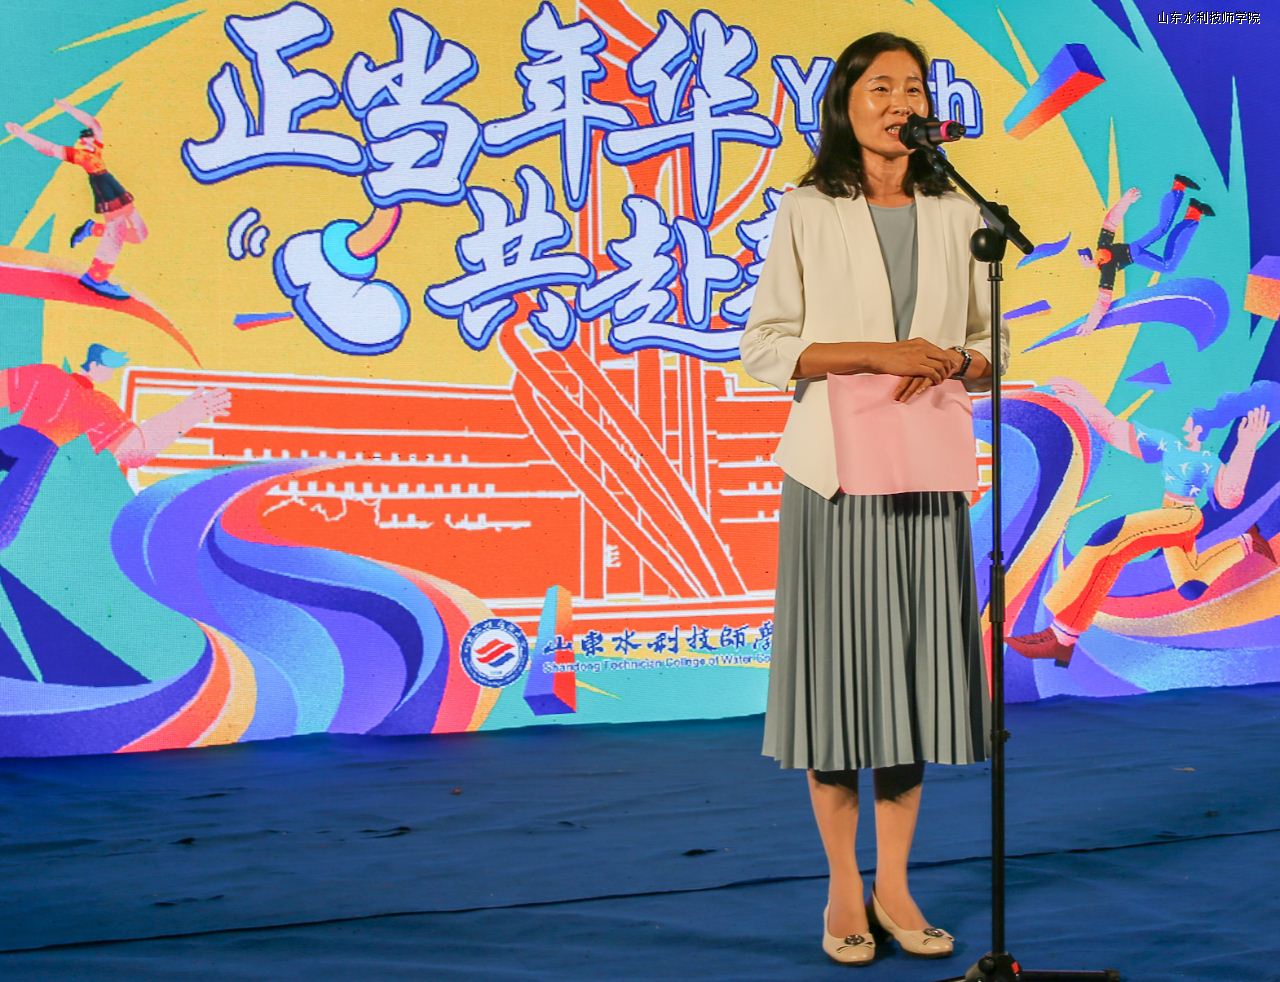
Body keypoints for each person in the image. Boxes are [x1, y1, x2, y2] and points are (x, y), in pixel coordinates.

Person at [739, 31, 1008, 966]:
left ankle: (895, 885)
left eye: (915, 88)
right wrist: (874, 353)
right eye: (881, 86)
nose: (901, 102)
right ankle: (842, 888)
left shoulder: (959, 212)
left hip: (927, 474)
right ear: (846, 105)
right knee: (839, 693)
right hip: (837, 480)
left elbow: (991, 346)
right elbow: (766, 347)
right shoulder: (808, 208)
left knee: (911, 691)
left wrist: (959, 361)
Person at [1008, 378, 1276, 667]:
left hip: (1183, 518)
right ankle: (1247, 542)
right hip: (1168, 514)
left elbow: (1230, 497)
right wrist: (1084, 399)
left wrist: (1246, 445)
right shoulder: (1169, 446)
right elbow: (1115, 430)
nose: (1187, 420)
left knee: (1111, 538)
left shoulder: (1207, 461)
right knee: (1191, 585)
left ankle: (1061, 638)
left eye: (1194, 417)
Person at [0, 344, 230, 550]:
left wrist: (184, 416)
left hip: (16, 438)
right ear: (93, 364)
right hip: (37, 450)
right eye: (107, 366)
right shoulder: (94, 402)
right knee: (6, 524)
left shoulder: (54, 377)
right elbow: (136, 450)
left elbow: (134, 452)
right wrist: (185, 415)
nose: (109, 372)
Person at [5, 98, 149, 300]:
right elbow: (48, 148)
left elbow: (94, 124)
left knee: (140, 233)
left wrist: (69, 108)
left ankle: (92, 229)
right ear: (81, 142)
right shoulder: (79, 155)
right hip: (104, 188)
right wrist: (22, 134)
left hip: (114, 186)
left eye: (89, 137)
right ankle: (96, 277)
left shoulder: (97, 148)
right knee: (117, 229)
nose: (88, 139)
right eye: (84, 138)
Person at [1075, 176, 1213, 336]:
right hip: (1135, 251)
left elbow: (1103, 301)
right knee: (1162, 229)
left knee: (1167, 259)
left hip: (1135, 253)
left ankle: (1190, 207)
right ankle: (1189, 204)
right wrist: (1126, 201)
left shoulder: (1107, 267)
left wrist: (1091, 324)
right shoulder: (1102, 250)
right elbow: (1110, 222)